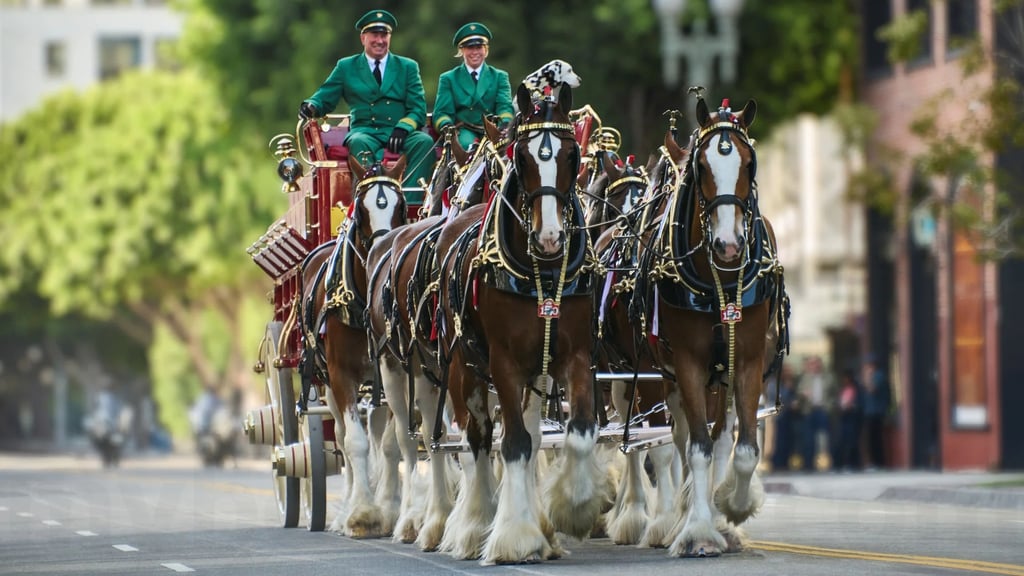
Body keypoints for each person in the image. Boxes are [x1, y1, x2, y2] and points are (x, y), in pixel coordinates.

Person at [298, 9, 435, 197]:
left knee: (424, 142)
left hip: (399, 131)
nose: (380, 40)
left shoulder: (408, 67)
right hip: (365, 132)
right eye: (374, 35)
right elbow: (325, 95)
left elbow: (418, 109)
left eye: (384, 35)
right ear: (363, 38)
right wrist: (312, 105)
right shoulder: (346, 66)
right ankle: (369, 200)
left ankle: (410, 202)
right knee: (358, 143)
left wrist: (403, 128)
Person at [432, 22, 514, 151]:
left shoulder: (499, 76)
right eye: (470, 48)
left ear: (486, 50)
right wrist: (446, 125)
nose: (475, 52)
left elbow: (504, 106)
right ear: (462, 50)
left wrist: (505, 123)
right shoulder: (448, 78)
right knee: (468, 148)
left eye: (479, 47)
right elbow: (442, 112)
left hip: (494, 130)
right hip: (464, 131)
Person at [797, 355, 834, 471]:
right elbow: (799, 393)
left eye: (816, 363)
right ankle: (809, 464)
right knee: (808, 438)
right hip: (809, 410)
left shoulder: (828, 378)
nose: (814, 366)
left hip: (822, 410)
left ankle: (825, 462)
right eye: (812, 364)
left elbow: (834, 394)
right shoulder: (805, 378)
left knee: (823, 437)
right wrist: (803, 394)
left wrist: (829, 406)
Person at [861, 356, 891, 470]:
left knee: (875, 438)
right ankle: (874, 462)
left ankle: (878, 462)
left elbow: (871, 389)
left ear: (872, 365)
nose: (866, 368)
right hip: (870, 412)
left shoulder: (879, 375)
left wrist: (867, 377)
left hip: (876, 412)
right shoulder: (874, 376)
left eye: (868, 366)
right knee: (871, 438)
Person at [833, 370, 863, 471]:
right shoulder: (842, 390)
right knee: (841, 442)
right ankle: (840, 464)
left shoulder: (856, 389)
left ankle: (853, 464)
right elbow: (839, 402)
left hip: (853, 418)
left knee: (852, 442)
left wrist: (852, 406)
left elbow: (859, 404)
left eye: (846, 378)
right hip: (843, 418)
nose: (844, 380)